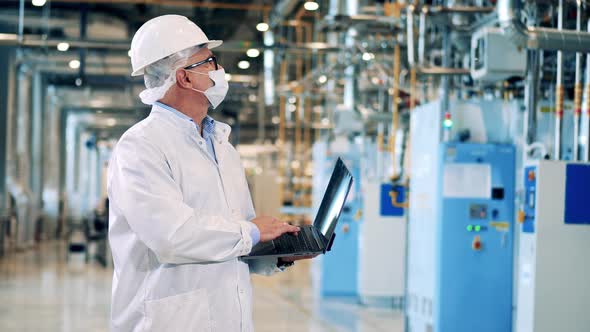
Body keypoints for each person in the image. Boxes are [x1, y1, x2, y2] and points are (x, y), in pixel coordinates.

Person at [107, 15, 312, 332]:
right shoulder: (141, 146)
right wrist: (253, 232)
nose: (219, 71)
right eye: (209, 62)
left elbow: (230, 238)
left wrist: (274, 253)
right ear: (184, 78)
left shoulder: (222, 146)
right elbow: (172, 237)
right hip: (170, 321)